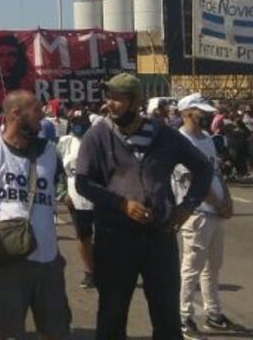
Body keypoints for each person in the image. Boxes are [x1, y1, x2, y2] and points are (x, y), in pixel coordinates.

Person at [75, 73, 213, 340]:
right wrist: (121, 204)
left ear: (135, 101)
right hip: (115, 240)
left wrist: (187, 207)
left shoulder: (164, 134)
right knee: (111, 318)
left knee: (167, 319)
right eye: (109, 97)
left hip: (159, 239)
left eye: (118, 98)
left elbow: (203, 169)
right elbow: (83, 183)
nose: (110, 104)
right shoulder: (98, 135)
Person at [0, 90, 71, 340]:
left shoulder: (48, 151)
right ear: (15, 113)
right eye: (35, 110)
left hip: (47, 259)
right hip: (8, 259)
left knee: (56, 329)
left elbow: (60, 193)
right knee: (1, 330)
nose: (42, 115)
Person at [173, 93, 237, 338]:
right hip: (197, 213)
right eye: (200, 111)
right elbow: (191, 181)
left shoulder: (207, 139)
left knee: (213, 267)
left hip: (216, 212)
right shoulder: (180, 141)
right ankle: (184, 315)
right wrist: (218, 204)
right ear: (187, 112)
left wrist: (227, 201)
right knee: (191, 267)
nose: (206, 115)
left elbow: (216, 172)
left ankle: (214, 313)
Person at [58, 107, 96, 290]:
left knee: (104, 237)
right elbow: (58, 171)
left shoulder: (98, 141)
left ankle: (108, 269)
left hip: (99, 197)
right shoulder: (65, 143)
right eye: (74, 123)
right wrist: (63, 192)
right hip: (75, 198)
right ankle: (90, 272)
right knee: (83, 236)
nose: (77, 126)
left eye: (81, 123)